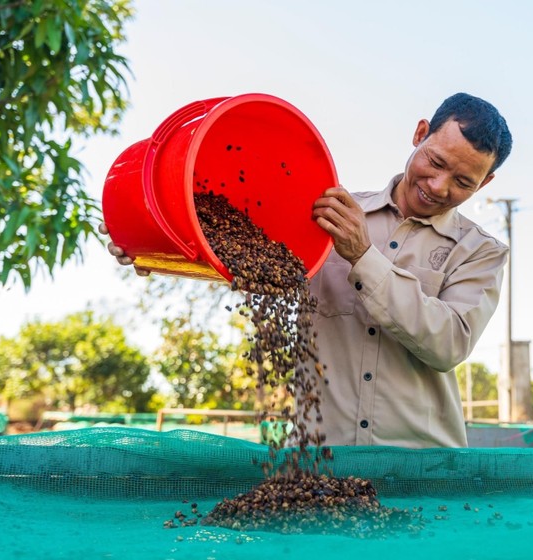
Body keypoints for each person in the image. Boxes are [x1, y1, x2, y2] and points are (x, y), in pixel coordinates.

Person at [102, 92, 512, 449]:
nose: (439, 186)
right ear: (420, 133)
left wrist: (363, 255)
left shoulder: (482, 252)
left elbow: (449, 344)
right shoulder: (324, 210)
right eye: (435, 162)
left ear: (486, 182)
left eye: (463, 181)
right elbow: (242, 260)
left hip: (421, 469)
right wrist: (155, 243)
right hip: (317, 460)